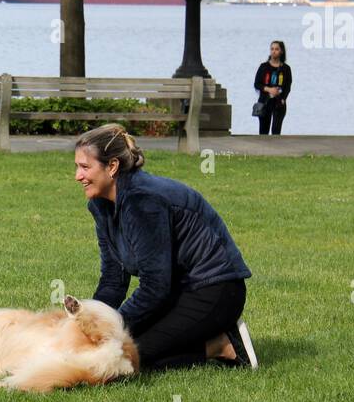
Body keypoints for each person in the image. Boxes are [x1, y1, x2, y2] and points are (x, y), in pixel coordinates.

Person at [76, 124, 258, 371]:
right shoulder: (101, 204)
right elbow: (113, 280)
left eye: (85, 167)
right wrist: (87, 325)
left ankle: (222, 345)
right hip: (176, 290)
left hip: (214, 291)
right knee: (105, 348)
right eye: (77, 167)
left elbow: (155, 285)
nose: (78, 175)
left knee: (126, 357)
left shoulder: (143, 202)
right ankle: (205, 338)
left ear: (112, 167)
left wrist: (112, 328)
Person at [254, 40, 292, 135]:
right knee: (263, 131)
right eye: (272, 49)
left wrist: (283, 98)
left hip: (278, 102)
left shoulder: (286, 69)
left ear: (281, 51)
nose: (273, 51)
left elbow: (288, 86)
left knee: (276, 131)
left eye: (276, 49)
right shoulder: (263, 67)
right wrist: (268, 89)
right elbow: (257, 84)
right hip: (265, 102)